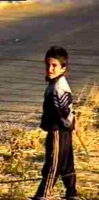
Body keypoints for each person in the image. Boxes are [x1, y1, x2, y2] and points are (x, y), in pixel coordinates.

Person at [31, 46, 79, 200]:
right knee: (66, 162)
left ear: (63, 68)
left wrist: (70, 122)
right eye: (48, 65)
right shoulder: (55, 83)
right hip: (60, 130)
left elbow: (65, 110)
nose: (50, 69)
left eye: (54, 66)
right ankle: (72, 193)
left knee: (54, 163)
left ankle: (43, 195)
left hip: (58, 130)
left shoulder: (58, 88)